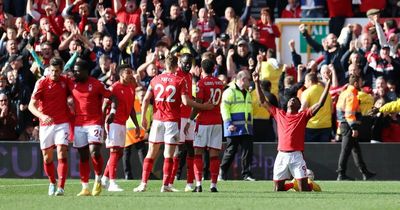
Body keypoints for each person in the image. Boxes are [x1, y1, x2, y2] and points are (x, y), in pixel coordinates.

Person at [133, 54, 213, 193]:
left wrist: (145, 118)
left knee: (152, 153)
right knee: (170, 154)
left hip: (157, 120)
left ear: (165, 65)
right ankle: (165, 184)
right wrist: (203, 106)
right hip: (172, 120)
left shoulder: (155, 79)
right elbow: (185, 102)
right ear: (177, 65)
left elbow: (146, 100)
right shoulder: (179, 79)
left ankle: (143, 183)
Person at [253, 71, 331, 191]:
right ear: (287, 104)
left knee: (304, 189)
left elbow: (319, 104)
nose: (292, 100)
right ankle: (292, 184)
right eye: (291, 99)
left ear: (299, 105)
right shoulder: (279, 114)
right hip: (281, 155)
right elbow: (263, 101)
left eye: (296, 100)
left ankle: (310, 185)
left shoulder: (303, 116)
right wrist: (256, 82)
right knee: (277, 189)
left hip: (296, 155)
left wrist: (329, 83)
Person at [68, 60, 114, 196]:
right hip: (79, 124)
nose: (75, 72)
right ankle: (85, 187)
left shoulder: (97, 84)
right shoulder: (71, 83)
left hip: (94, 122)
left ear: (85, 71)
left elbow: (112, 97)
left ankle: (98, 179)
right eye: (74, 70)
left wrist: (112, 112)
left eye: (78, 70)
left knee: (94, 152)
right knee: (83, 156)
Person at [28, 57, 70, 196]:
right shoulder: (42, 83)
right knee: (47, 158)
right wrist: (42, 116)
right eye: (52, 71)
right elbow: (31, 106)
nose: (54, 73)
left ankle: (61, 187)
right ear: (49, 70)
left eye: (57, 71)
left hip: (62, 122)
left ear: (61, 71)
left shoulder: (66, 81)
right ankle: (52, 182)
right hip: (46, 124)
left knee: (62, 152)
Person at [101, 64, 140, 192]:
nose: (131, 75)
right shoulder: (114, 88)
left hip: (123, 123)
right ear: (121, 74)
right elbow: (104, 105)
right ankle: (112, 183)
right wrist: (101, 124)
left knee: (119, 153)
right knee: (114, 151)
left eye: (131, 72)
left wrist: (137, 125)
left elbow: (132, 109)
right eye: (128, 72)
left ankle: (104, 179)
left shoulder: (131, 88)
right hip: (113, 122)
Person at [188, 58, 224, 192]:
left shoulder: (201, 83)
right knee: (214, 155)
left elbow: (198, 105)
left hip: (203, 122)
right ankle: (213, 185)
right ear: (214, 69)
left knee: (198, 153)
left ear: (201, 69)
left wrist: (190, 120)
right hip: (216, 122)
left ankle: (198, 184)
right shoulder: (220, 83)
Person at [336, 74, 376, 181]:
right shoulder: (352, 95)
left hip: (344, 124)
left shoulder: (344, 93)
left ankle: (365, 172)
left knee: (355, 150)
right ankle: (341, 174)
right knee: (345, 150)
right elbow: (349, 114)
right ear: (355, 83)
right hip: (349, 125)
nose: (362, 84)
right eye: (361, 82)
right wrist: (354, 128)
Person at [219, 70, 255, 181]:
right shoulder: (229, 92)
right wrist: (228, 124)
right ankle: (222, 172)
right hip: (233, 126)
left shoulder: (247, 93)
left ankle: (246, 174)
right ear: (243, 79)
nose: (250, 81)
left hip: (246, 127)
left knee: (247, 151)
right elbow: (224, 109)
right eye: (248, 79)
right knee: (231, 151)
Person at [300, 73, 333, 142]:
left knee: (311, 150)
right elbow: (332, 110)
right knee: (324, 150)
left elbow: (302, 110)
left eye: (305, 81)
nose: (304, 84)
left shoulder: (306, 92)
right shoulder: (326, 92)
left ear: (310, 81)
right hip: (326, 126)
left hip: (312, 126)